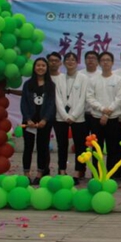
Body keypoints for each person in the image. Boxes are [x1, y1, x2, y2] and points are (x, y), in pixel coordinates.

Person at [86, 52, 121, 180]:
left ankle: (111, 174)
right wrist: (103, 110)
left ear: (112, 62)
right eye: (103, 60)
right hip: (96, 118)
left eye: (108, 60)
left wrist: (108, 113)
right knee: (96, 148)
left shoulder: (118, 80)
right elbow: (90, 98)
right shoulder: (93, 80)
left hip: (113, 119)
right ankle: (97, 174)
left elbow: (119, 98)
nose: (105, 62)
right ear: (99, 63)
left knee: (112, 148)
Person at [54, 53, 89, 181]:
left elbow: (83, 98)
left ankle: (78, 171)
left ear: (77, 63)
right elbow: (57, 98)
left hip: (78, 117)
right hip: (61, 117)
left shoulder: (83, 78)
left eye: (73, 60)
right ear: (63, 63)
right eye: (67, 59)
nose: (70, 62)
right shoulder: (59, 78)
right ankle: (62, 169)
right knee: (62, 144)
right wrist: (64, 115)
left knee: (80, 145)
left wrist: (73, 116)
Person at [20, 57, 56, 184]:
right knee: (28, 147)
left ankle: (40, 174)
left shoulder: (51, 85)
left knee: (42, 147)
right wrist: (27, 119)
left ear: (46, 68)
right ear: (34, 68)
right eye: (38, 65)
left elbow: (51, 104)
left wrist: (45, 119)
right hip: (29, 121)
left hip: (44, 122)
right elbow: (23, 103)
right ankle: (26, 174)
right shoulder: (27, 84)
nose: (40, 68)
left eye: (43, 66)